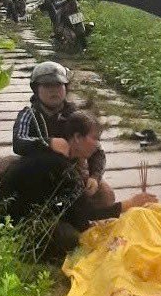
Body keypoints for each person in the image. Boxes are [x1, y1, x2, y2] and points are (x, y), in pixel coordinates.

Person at [0, 110, 157, 262]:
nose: (97, 145)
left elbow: (74, 209)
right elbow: (86, 213)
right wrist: (129, 204)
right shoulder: (61, 167)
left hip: (18, 212)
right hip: (15, 224)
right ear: (77, 137)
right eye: (94, 138)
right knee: (76, 240)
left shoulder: (61, 158)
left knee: (82, 223)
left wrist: (94, 179)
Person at [11, 61, 117, 210]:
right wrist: (49, 143)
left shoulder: (76, 116)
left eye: (58, 85)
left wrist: (95, 176)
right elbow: (19, 142)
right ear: (36, 89)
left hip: (72, 173)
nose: (54, 91)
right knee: (6, 167)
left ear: (65, 88)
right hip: (38, 173)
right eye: (47, 86)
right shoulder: (29, 115)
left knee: (106, 195)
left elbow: (97, 150)